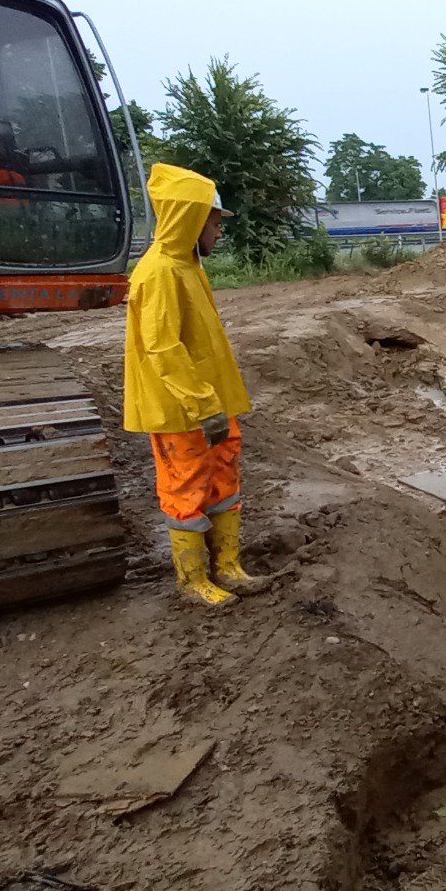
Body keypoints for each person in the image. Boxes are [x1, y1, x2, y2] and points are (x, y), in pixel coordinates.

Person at [124, 162, 266, 606]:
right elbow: (163, 348)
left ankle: (227, 565)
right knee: (185, 487)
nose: (219, 230)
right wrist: (203, 404)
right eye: (215, 220)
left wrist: (216, 404)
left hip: (211, 402)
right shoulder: (160, 272)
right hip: (182, 408)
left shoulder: (187, 265)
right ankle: (193, 580)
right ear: (191, 218)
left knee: (224, 476)